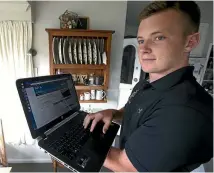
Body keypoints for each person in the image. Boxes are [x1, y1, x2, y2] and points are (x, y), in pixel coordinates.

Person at [83, 1, 213, 172]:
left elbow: (125, 165)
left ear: (190, 42)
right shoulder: (146, 83)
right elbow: (135, 112)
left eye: (159, 37)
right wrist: (113, 113)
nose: (143, 49)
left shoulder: (185, 110)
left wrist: (79, 140)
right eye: (141, 40)